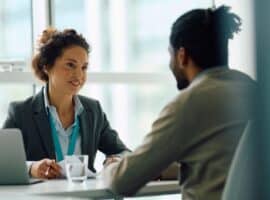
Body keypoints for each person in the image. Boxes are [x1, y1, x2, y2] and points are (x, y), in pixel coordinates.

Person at [102, 5, 256, 200]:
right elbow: (221, 163)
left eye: (170, 54)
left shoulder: (191, 102)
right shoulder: (254, 91)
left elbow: (122, 182)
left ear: (182, 56)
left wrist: (112, 168)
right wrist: (158, 168)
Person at [2, 28, 129, 179]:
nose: (79, 75)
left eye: (84, 67)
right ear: (47, 66)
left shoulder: (92, 110)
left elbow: (124, 152)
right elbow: (2, 162)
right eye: (70, 65)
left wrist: (117, 160)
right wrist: (31, 168)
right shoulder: (21, 112)